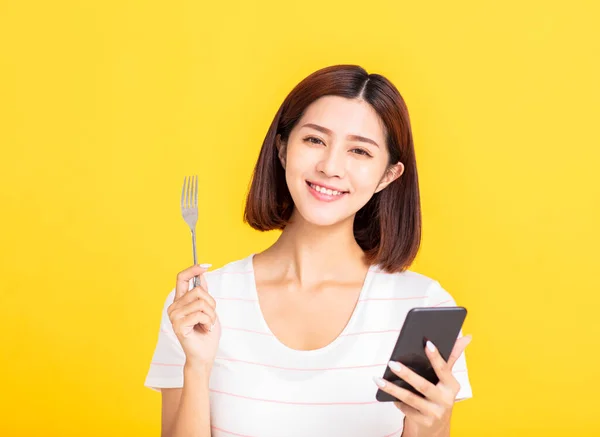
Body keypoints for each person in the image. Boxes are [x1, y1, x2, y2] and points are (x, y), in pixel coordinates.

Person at [144, 64, 473, 437]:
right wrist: (197, 365)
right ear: (283, 148)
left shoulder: (421, 304)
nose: (331, 167)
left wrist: (433, 421)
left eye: (359, 151)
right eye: (315, 140)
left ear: (387, 176)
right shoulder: (201, 303)